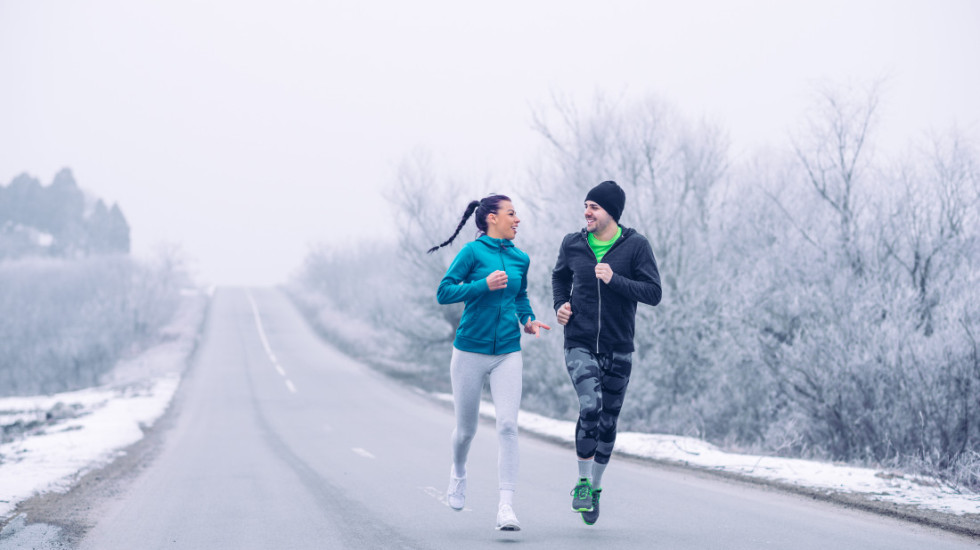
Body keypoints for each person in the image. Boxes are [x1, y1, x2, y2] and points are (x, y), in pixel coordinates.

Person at [429, 194, 550, 532]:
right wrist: (483, 284)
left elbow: (520, 295)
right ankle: (458, 471)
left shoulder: (520, 258)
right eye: (512, 214)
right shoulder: (471, 252)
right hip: (469, 351)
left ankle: (506, 507)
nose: (518, 220)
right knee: (466, 430)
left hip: (508, 352)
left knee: (508, 427)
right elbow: (444, 292)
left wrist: (527, 319)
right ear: (492, 219)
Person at [551, 180, 662, 525]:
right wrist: (560, 305)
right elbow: (559, 278)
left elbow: (653, 292)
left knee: (609, 421)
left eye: (594, 207)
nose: (586, 212)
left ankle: (596, 488)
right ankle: (582, 483)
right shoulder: (572, 244)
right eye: (585, 205)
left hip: (618, 347)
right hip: (579, 341)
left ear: (610, 212)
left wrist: (615, 279)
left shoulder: (636, 246)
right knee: (590, 406)